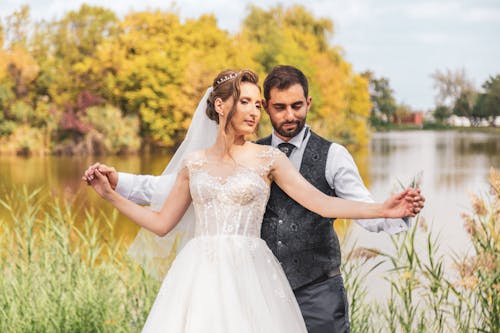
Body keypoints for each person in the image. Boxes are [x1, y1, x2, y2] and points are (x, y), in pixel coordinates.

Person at [84, 68, 424, 333]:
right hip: (200, 275)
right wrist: (112, 194)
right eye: (246, 102)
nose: (254, 111)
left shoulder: (269, 159)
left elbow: (321, 202)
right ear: (220, 105)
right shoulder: (194, 162)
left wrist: (381, 208)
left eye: (257, 104)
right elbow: (160, 220)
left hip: (255, 275)